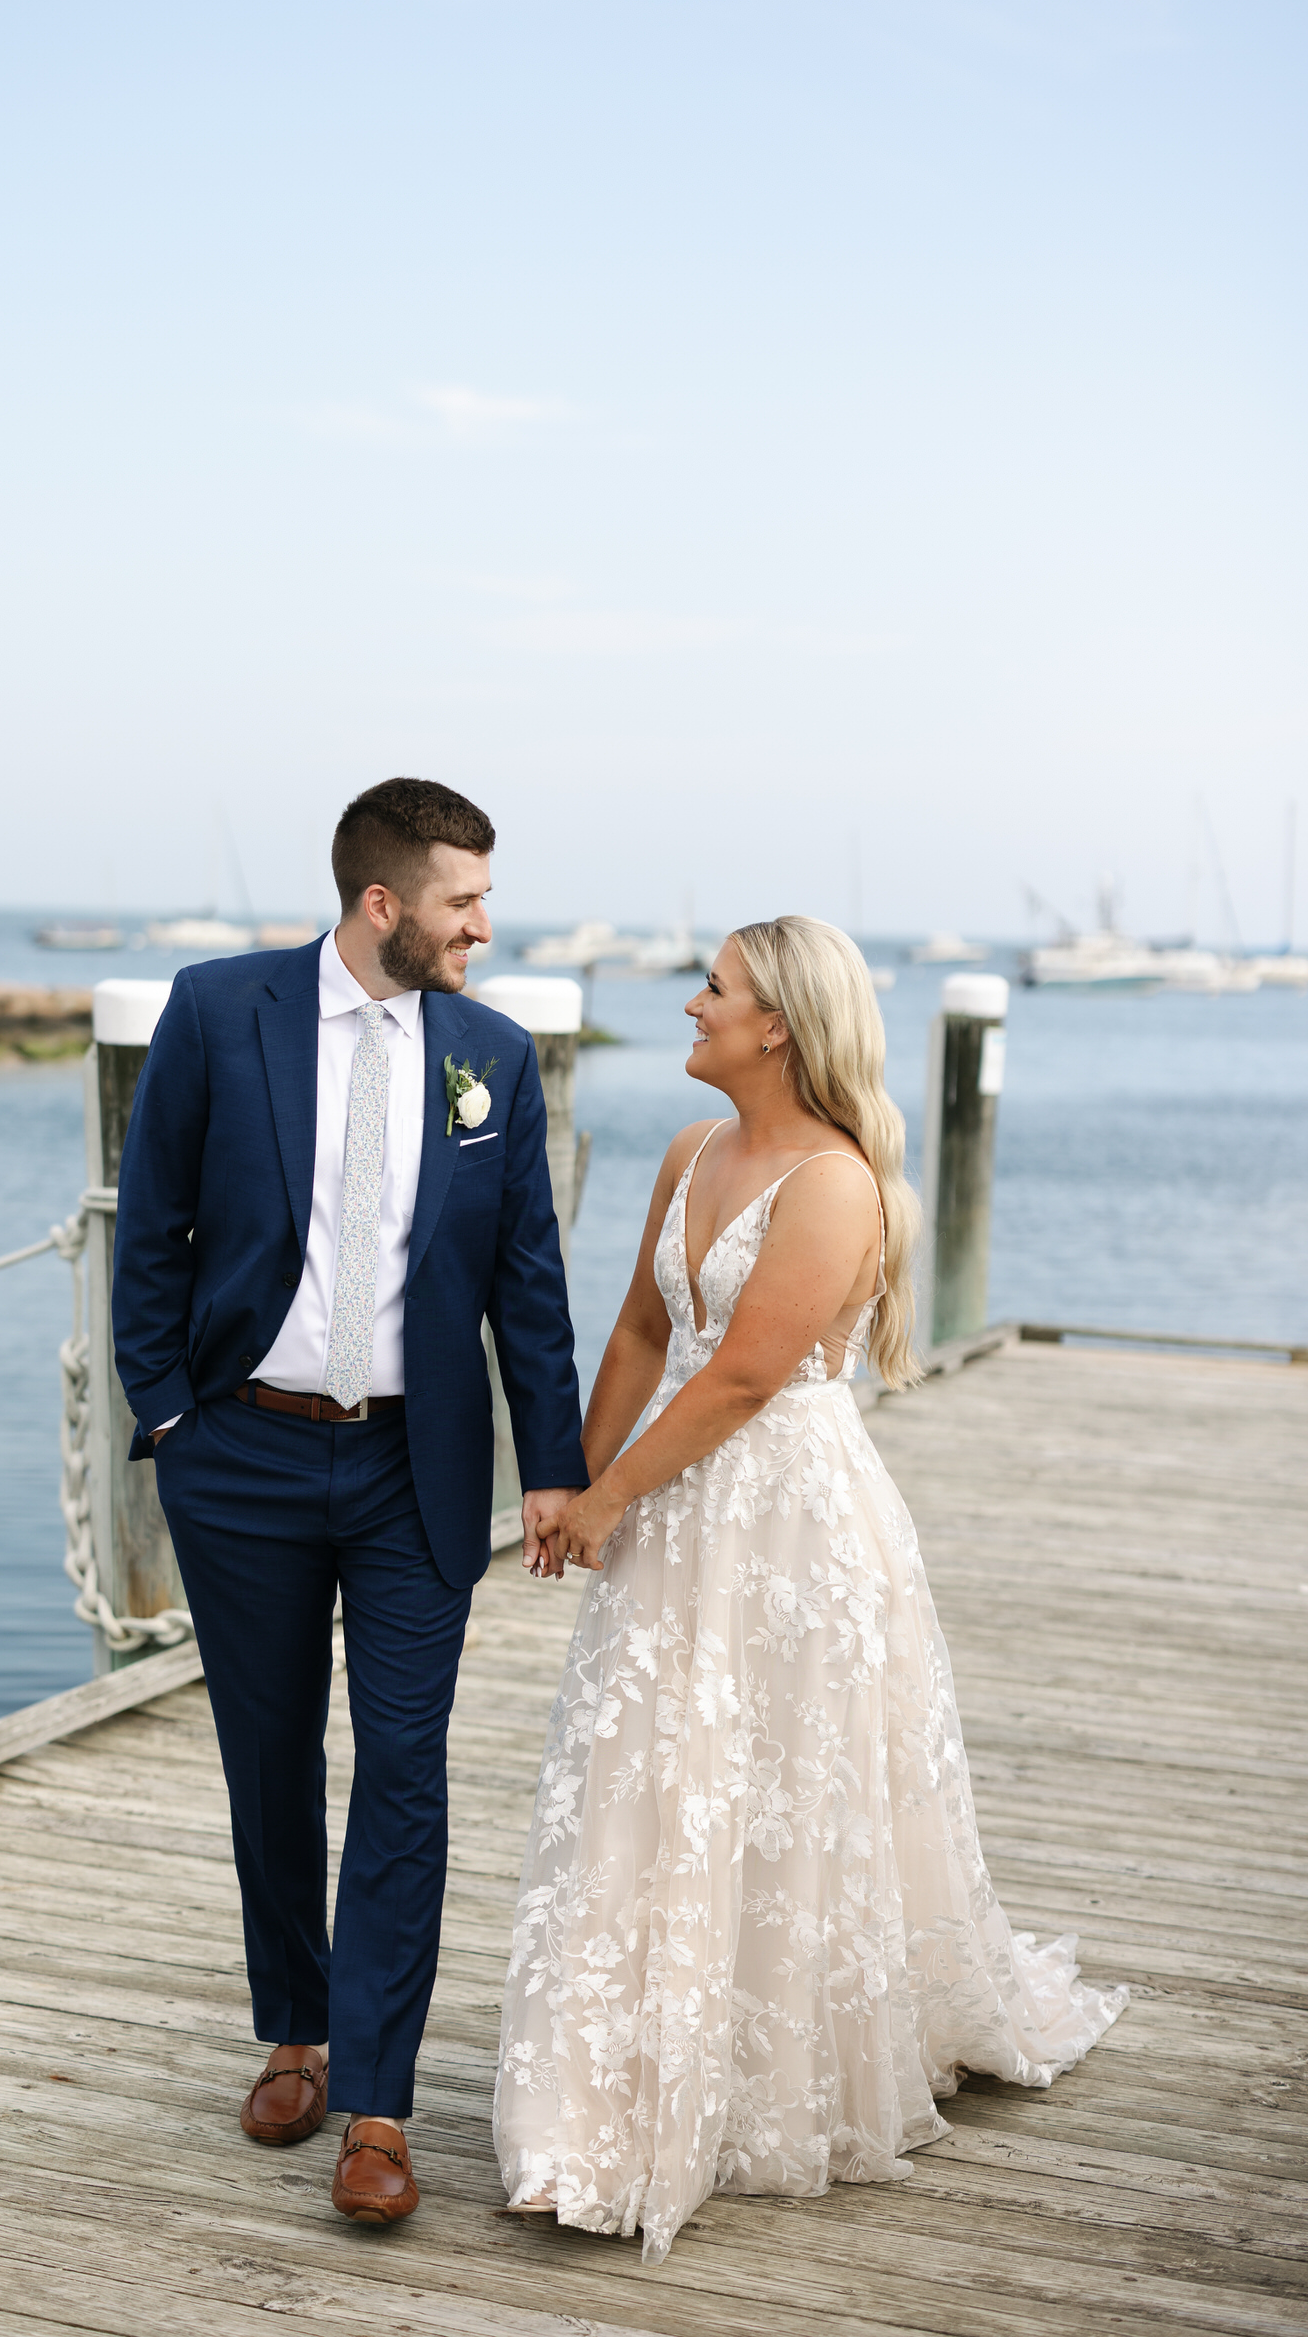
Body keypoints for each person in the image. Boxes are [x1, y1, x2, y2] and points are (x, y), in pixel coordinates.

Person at [497, 914, 1125, 2264]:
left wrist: (614, 1496)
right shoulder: (691, 1151)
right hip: (670, 1504)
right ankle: (602, 2096)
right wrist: (567, 1477)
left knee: (775, 1778)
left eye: (711, 989)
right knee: (648, 1771)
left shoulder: (836, 1184)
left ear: (776, 1022)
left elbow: (742, 1377)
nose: (688, 1007)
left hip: (779, 1517)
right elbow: (643, 1331)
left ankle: (762, 2076)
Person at [112, 777, 586, 2228]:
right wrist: (171, 1416)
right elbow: (151, 1231)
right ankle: (295, 2029)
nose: (482, 930)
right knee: (270, 1757)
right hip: (239, 1453)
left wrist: (552, 1464)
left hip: (410, 1471)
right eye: (462, 905)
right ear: (382, 905)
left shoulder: (492, 1058)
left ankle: (376, 2106)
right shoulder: (217, 1010)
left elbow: (529, 1286)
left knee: (404, 1769)